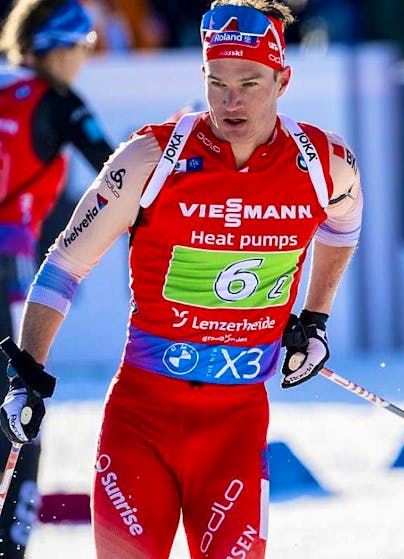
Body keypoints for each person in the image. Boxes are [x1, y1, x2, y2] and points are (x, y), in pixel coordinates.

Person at [0, 0, 363, 557]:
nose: (230, 99)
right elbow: (65, 264)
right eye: (217, 82)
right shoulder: (151, 157)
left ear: (282, 79)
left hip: (237, 431)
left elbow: (343, 224)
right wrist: (26, 372)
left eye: (249, 82)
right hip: (140, 424)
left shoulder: (324, 163)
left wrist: (313, 318)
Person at [0, 0, 113, 555]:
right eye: (85, 46)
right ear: (60, 48)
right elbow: (116, 169)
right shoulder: (57, 100)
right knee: (20, 414)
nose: (85, 59)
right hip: (5, 271)